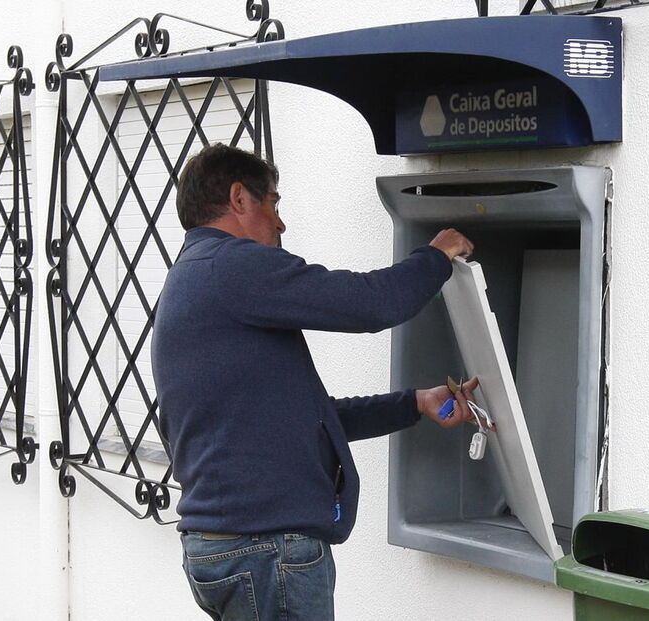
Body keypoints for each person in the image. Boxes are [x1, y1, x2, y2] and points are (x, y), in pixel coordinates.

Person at [152, 144, 487, 621]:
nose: (280, 222)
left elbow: (305, 417)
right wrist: (436, 255)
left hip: (231, 547)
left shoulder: (193, 277)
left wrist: (414, 403)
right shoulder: (232, 267)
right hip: (264, 551)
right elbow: (370, 304)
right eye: (274, 202)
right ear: (239, 198)